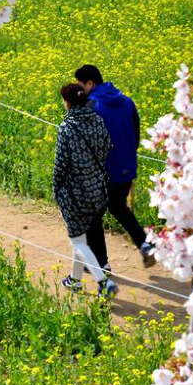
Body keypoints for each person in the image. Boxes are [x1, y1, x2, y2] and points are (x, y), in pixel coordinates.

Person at [75, 64, 155, 268]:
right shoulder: (127, 102)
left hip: (103, 172)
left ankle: (100, 265)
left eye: (80, 85)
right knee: (118, 207)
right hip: (126, 168)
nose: (78, 90)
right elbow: (136, 136)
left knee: (93, 217)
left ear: (90, 83)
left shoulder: (91, 105)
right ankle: (145, 243)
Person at [54, 83, 118, 297]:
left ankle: (104, 281)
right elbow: (108, 146)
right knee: (85, 234)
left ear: (68, 102)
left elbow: (60, 164)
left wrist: (57, 189)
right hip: (98, 189)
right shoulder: (98, 120)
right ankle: (75, 280)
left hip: (75, 192)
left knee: (78, 240)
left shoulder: (67, 127)